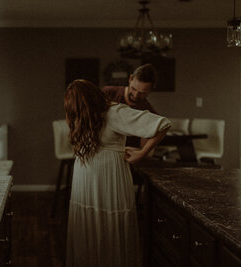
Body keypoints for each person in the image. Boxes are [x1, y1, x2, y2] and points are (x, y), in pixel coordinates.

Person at [64, 79, 171, 267]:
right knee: (92, 224)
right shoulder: (87, 115)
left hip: (105, 178)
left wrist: (142, 153)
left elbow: (162, 124)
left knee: (107, 225)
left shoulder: (115, 113)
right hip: (88, 178)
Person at [102, 63, 158, 148]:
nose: (135, 95)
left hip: (127, 156)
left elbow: (145, 147)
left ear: (151, 90)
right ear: (130, 79)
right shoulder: (107, 93)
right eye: (133, 89)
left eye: (142, 93)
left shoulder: (149, 111)